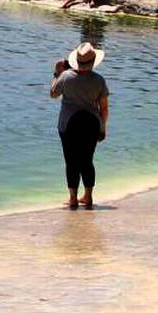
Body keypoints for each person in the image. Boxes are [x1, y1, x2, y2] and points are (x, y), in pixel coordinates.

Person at [50, 42, 109, 210]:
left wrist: (56, 73)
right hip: (91, 123)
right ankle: (88, 196)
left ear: (76, 59)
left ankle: (73, 198)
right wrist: (103, 127)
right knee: (87, 161)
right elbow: (104, 108)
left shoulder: (66, 76)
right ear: (93, 61)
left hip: (69, 123)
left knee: (71, 161)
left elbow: (53, 94)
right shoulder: (99, 80)